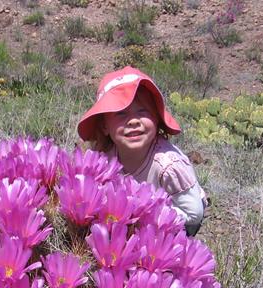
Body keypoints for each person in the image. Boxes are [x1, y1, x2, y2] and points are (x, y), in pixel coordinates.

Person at [77, 66, 206, 236]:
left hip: (181, 213)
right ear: (104, 126)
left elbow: (194, 214)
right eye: (121, 113)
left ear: (156, 118)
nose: (133, 121)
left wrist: (146, 213)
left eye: (142, 111)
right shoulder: (107, 156)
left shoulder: (168, 167)